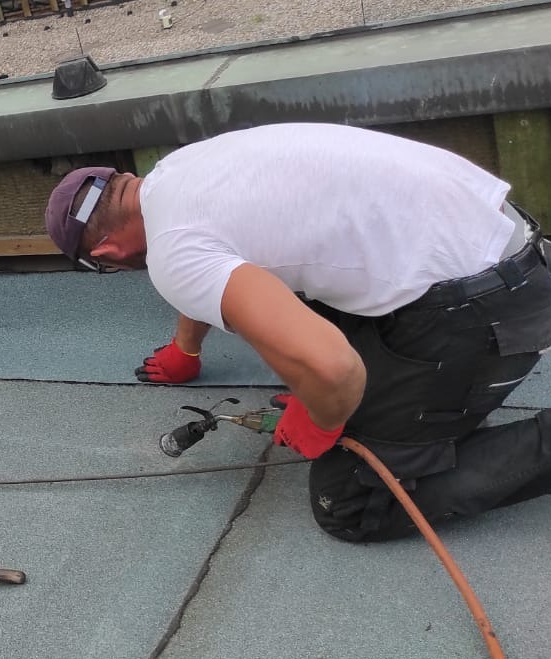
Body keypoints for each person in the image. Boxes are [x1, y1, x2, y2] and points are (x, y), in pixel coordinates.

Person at [45, 123, 551, 542]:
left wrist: (320, 419)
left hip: (491, 306)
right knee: (303, 344)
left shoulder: (173, 253)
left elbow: (331, 366)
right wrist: (186, 349)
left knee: (349, 502)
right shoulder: (178, 171)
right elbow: (206, 263)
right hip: (502, 240)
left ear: (106, 255)